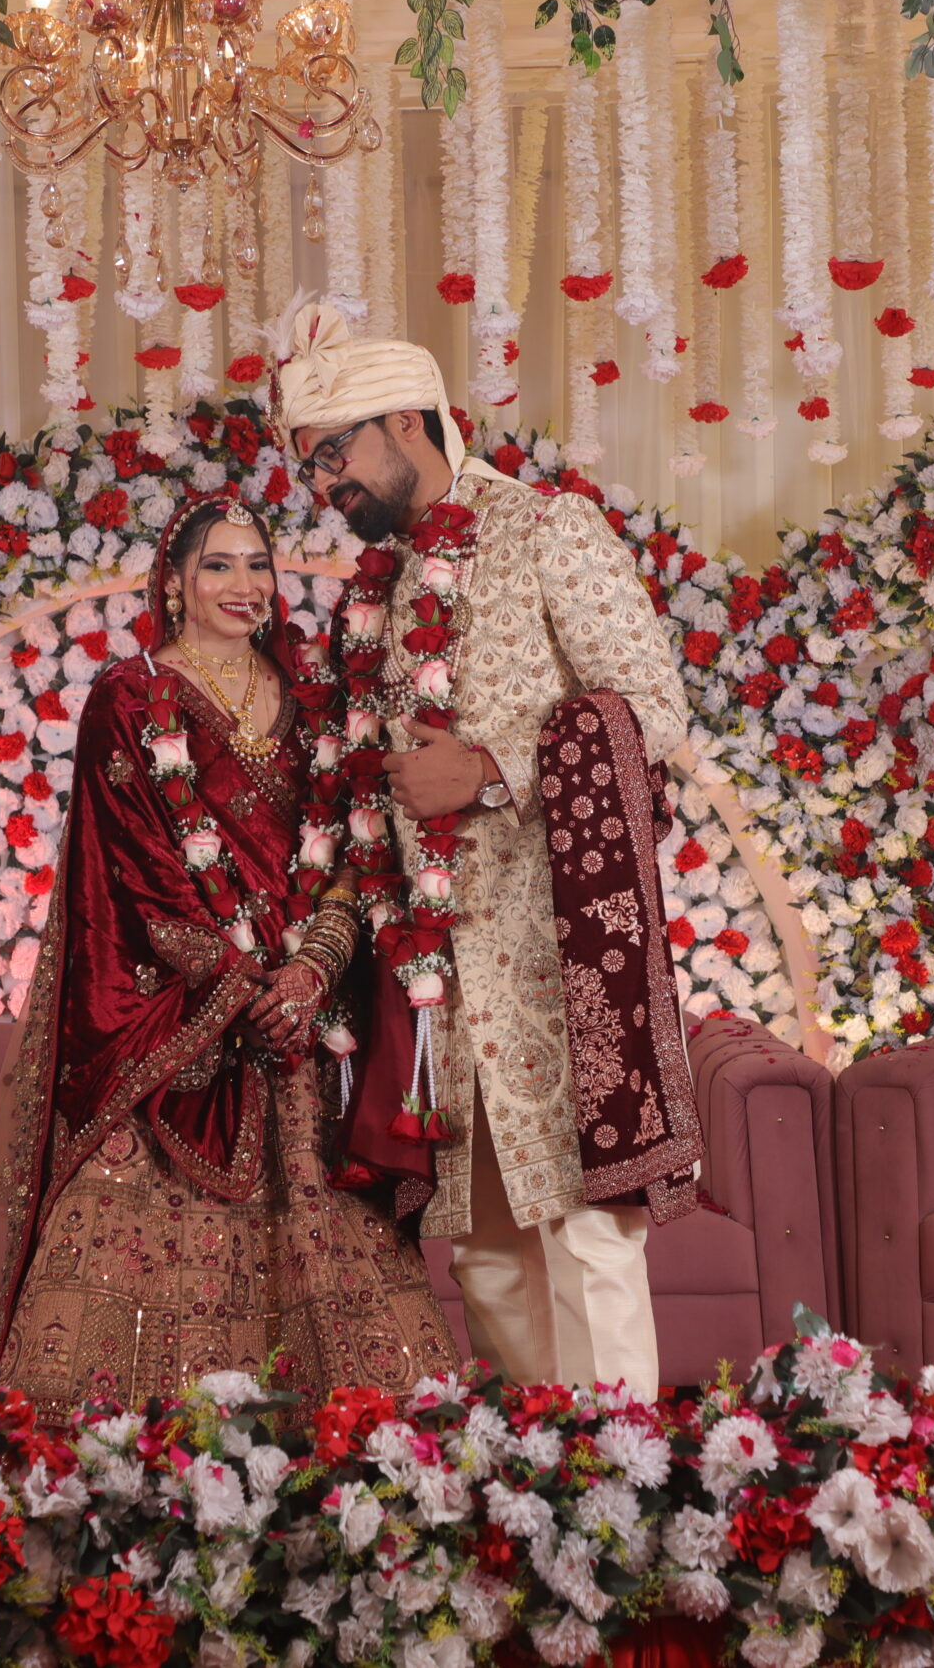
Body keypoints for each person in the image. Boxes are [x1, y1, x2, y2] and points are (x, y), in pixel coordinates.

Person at [0, 497, 457, 1419]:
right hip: (177, 1026)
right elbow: (135, 873)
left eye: (258, 564)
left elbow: (352, 847)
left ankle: (342, 1463)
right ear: (174, 582)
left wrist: (311, 973)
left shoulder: (314, 696)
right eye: (219, 565)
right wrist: (244, 989)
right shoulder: (129, 699)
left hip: (305, 1023)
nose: (245, 585)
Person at [276, 299, 698, 1398]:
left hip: (554, 955)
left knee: (588, 1233)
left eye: (333, 454)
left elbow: (653, 711)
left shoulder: (546, 528)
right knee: (485, 1255)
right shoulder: (377, 590)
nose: (322, 486)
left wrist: (489, 768)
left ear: (409, 420)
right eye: (307, 467)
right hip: (434, 978)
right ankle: (536, 1476)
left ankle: (621, 1474)